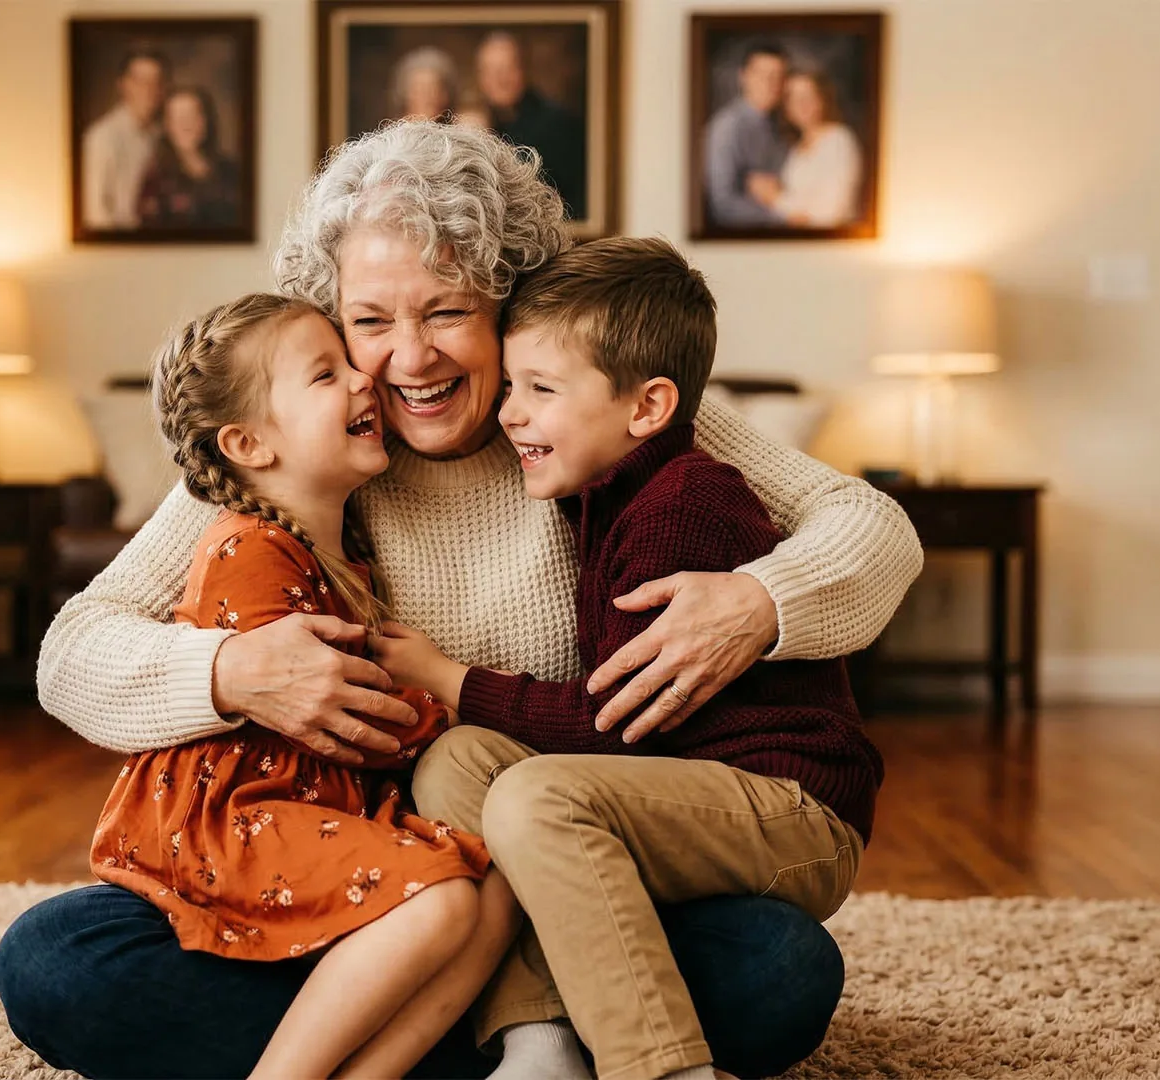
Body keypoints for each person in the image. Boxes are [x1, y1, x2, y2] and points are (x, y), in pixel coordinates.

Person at [0, 121, 923, 1080]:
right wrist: (233, 670)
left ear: (507, 304)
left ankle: (455, 1037)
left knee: (779, 971)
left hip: (571, 863)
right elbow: (72, 649)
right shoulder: (301, 449)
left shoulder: (588, 413)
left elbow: (871, 525)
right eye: (368, 323)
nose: (407, 360)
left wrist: (758, 601)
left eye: (444, 312)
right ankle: (489, 1035)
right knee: (54, 964)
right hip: (361, 879)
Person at [373, 236, 882, 1080]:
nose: (510, 414)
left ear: (646, 409)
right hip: (674, 795)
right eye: (512, 385)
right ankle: (539, 1042)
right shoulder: (607, 489)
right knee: (459, 762)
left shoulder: (681, 506)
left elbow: (618, 730)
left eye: (540, 390)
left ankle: (660, 1067)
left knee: (539, 794)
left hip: (789, 814)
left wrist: (445, 677)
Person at [94, 292, 519, 1077]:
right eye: (328, 374)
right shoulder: (248, 548)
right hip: (241, 816)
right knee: (446, 896)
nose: (367, 380)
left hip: (312, 809)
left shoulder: (337, 552)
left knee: (494, 892)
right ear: (249, 443)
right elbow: (343, 718)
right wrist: (452, 702)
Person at [474, 32, 588, 220]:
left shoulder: (556, 124)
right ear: (481, 78)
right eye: (491, 71)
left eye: (507, 69)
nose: (500, 79)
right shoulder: (481, 123)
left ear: (524, 70)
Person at [759, 71, 862, 228]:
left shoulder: (839, 140)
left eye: (808, 96)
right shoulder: (795, 149)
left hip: (832, 245)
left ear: (822, 100)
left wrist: (776, 199)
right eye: (792, 98)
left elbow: (830, 215)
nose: (801, 104)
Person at [705, 42, 791, 228]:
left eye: (778, 76)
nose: (770, 84)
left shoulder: (784, 124)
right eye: (761, 74)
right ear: (743, 76)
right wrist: (784, 217)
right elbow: (723, 204)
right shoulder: (726, 127)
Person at [81, 48, 168, 231]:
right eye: (141, 81)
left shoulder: (161, 134)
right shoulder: (101, 137)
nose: (149, 89)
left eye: (156, 81)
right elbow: (95, 211)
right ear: (123, 85)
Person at [136, 87, 243, 230]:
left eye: (192, 115)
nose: (186, 124)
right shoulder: (155, 179)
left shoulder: (231, 170)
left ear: (206, 120)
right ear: (167, 126)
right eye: (178, 118)